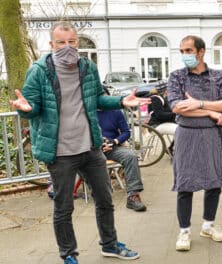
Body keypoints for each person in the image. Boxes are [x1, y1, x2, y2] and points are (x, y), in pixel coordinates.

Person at [9, 21, 149, 263]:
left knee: (105, 200)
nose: (67, 47)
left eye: (71, 42)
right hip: (60, 153)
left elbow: (97, 99)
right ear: (51, 45)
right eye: (61, 43)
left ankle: (109, 244)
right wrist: (26, 109)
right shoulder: (39, 71)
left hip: (91, 147)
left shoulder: (87, 67)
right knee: (64, 208)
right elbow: (32, 107)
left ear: (78, 42)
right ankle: (68, 255)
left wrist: (120, 102)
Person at [167, 35, 222, 251]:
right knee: (185, 184)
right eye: (182, 51)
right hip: (187, 134)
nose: (185, 55)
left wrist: (200, 103)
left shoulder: (218, 77)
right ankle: (184, 231)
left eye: (188, 50)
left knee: (214, 182)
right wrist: (212, 113)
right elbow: (177, 107)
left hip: (212, 137)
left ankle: (208, 225)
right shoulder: (177, 76)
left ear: (201, 51)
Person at [98, 88, 147, 212]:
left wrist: (114, 141)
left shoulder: (115, 112)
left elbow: (126, 132)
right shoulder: (87, 113)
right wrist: (98, 144)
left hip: (112, 147)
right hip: (93, 150)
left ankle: (133, 196)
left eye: (106, 99)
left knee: (130, 156)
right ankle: (97, 192)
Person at [147, 82, 178, 155]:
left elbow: (169, 112)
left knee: (185, 128)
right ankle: (172, 149)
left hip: (162, 123)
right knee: (181, 131)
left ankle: (172, 148)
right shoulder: (155, 99)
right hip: (155, 125)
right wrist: (174, 114)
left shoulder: (163, 98)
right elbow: (160, 115)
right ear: (164, 90)